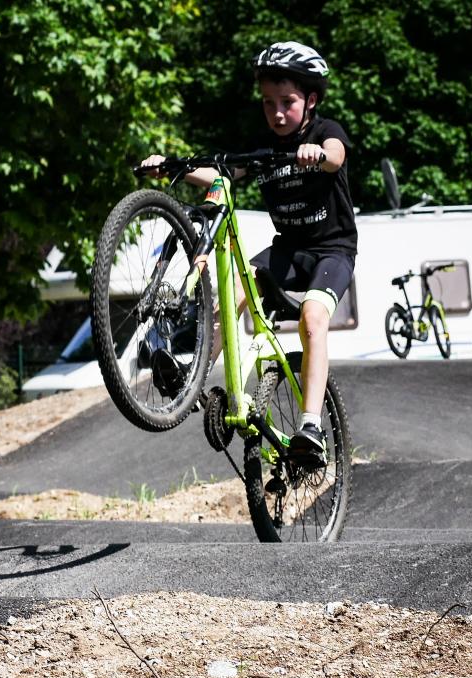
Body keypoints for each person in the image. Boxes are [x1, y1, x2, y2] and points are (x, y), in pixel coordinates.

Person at [142, 41, 357, 464]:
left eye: (288, 102)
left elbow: (335, 157)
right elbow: (222, 172)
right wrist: (174, 166)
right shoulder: (264, 146)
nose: (277, 113)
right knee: (229, 299)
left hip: (330, 252)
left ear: (311, 101)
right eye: (268, 103)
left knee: (313, 321)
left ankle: (311, 424)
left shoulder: (324, 132)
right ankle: (191, 378)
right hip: (285, 252)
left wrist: (317, 154)